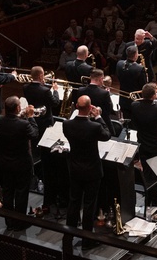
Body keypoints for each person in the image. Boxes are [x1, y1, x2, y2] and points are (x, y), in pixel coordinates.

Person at [62, 95, 111, 249]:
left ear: (76, 106)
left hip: (75, 169)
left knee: (74, 202)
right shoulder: (95, 127)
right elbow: (107, 135)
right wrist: (98, 117)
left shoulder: (67, 125)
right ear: (90, 108)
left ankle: (68, 238)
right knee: (89, 206)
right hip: (92, 171)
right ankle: (87, 241)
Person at [0, 96, 39, 226]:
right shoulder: (23, 124)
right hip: (22, 163)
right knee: (21, 192)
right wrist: (30, 117)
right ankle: (19, 222)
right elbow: (34, 134)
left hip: (5, 162)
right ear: (18, 108)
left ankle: (9, 221)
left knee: (8, 191)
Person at [129, 83, 157, 208]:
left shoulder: (134, 105)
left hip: (143, 143)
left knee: (147, 172)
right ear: (153, 96)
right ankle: (156, 200)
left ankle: (150, 198)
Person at [76, 68, 117, 135]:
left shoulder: (81, 90)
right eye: (102, 79)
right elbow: (109, 110)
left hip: (85, 123)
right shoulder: (104, 93)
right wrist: (108, 95)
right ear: (100, 79)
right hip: (101, 123)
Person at [116, 45, 147, 118]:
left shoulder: (119, 63)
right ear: (136, 54)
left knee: (127, 121)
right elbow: (143, 85)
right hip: (135, 100)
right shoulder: (140, 68)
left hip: (123, 99)